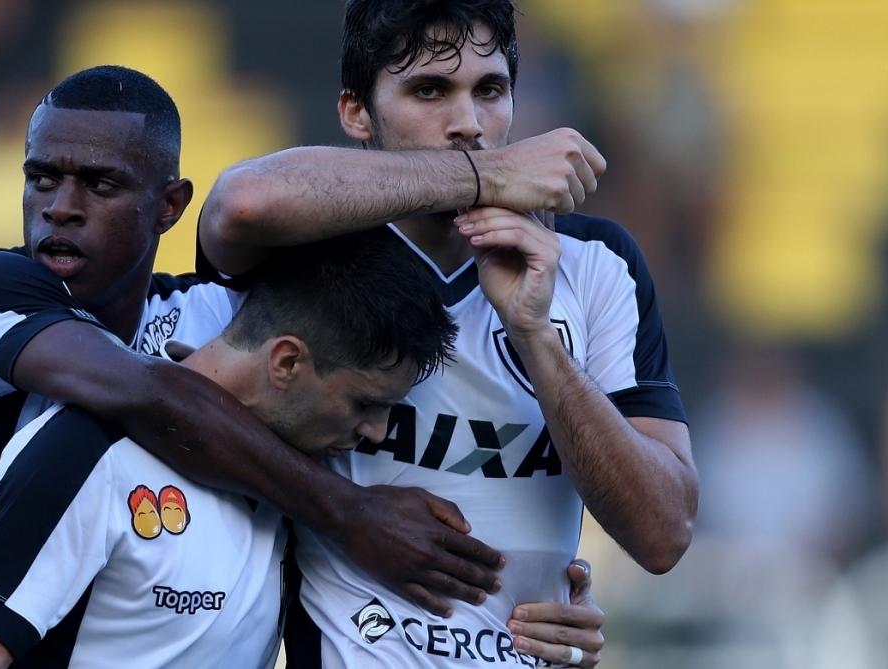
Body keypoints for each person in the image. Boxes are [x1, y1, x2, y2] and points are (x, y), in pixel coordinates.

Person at [0, 65, 597, 669]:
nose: (60, 207)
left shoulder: (215, 323)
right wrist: (484, 172)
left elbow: (324, 386)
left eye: (100, 184)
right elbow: (149, 394)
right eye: (42, 178)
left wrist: (522, 607)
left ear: (172, 204)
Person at [197, 1, 698, 666]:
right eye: (429, 90)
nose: (468, 122)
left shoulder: (595, 264)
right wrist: (488, 175)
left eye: (490, 91)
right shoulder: (312, 247)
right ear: (355, 112)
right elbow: (240, 202)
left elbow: (664, 532)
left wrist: (538, 339)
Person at [0, 230, 460, 668]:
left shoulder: (293, 491)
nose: (378, 432)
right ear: (287, 362)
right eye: (365, 403)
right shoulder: (89, 453)